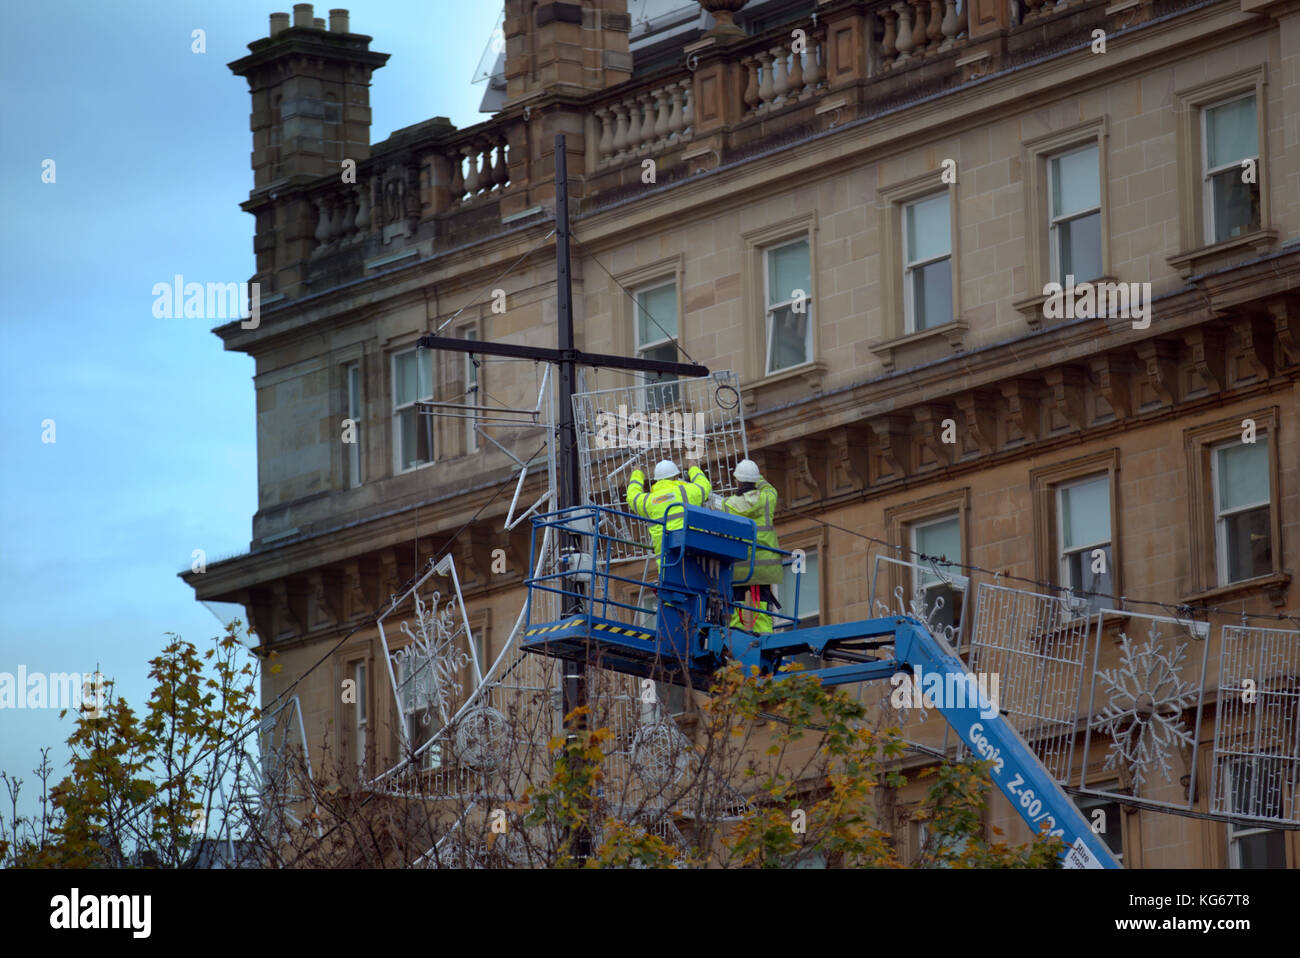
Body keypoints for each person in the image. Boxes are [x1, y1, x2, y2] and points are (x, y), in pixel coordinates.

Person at [723, 459, 781, 634]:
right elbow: (769, 488)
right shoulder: (768, 499)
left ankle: (737, 629)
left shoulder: (728, 504)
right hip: (764, 563)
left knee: (738, 597)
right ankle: (764, 630)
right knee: (761, 597)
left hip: (739, 562)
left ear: (737, 481)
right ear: (755, 481)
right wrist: (758, 477)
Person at [626, 457, 713, 574]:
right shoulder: (687, 491)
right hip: (692, 553)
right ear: (676, 477)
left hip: (665, 563)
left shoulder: (648, 501)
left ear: (657, 481)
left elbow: (632, 497)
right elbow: (704, 485)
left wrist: (636, 473)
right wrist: (693, 468)